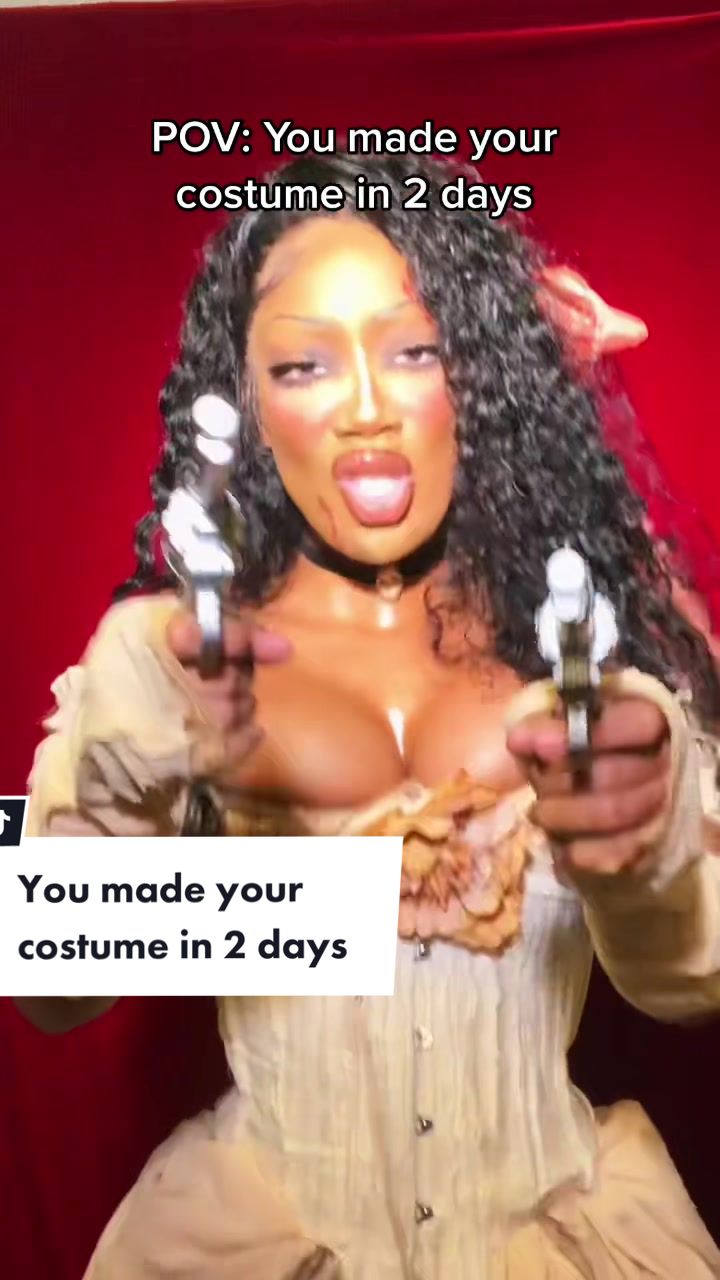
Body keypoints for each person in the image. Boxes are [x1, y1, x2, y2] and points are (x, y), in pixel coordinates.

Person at [22, 151, 720, 1279]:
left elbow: (690, 983)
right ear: (248, 401)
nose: (361, 410)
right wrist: (121, 795)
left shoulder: (600, 648)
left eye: (415, 350)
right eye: (303, 364)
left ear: (484, 373)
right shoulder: (168, 660)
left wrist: (641, 867)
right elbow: (53, 994)